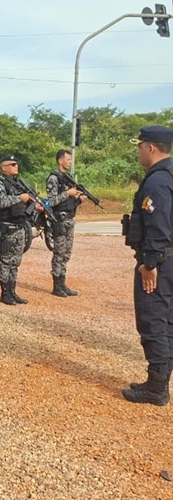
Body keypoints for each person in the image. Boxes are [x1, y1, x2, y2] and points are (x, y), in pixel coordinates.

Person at [122, 125, 173, 405]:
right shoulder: (168, 176)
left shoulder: (156, 182)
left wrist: (149, 263)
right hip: (169, 259)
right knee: (167, 320)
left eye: (140, 146)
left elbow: (158, 225)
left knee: (153, 320)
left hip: (160, 262)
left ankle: (156, 387)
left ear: (150, 148)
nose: (139, 151)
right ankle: (160, 378)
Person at [0, 154, 42, 306]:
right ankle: (5, 293)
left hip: (20, 226)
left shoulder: (18, 183)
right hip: (8, 227)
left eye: (16, 164)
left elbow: (25, 202)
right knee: (6, 261)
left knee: (16, 262)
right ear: (4, 167)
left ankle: (12, 291)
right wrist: (21, 198)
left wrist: (35, 205)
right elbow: (1, 202)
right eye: (12, 164)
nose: (16, 166)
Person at [46, 149, 87, 297]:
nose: (70, 162)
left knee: (66, 254)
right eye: (68, 159)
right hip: (59, 220)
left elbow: (69, 203)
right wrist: (67, 193)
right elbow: (49, 202)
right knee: (59, 253)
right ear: (60, 160)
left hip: (69, 219)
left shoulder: (68, 178)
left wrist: (78, 200)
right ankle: (57, 285)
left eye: (70, 159)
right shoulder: (53, 179)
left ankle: (63, 284)